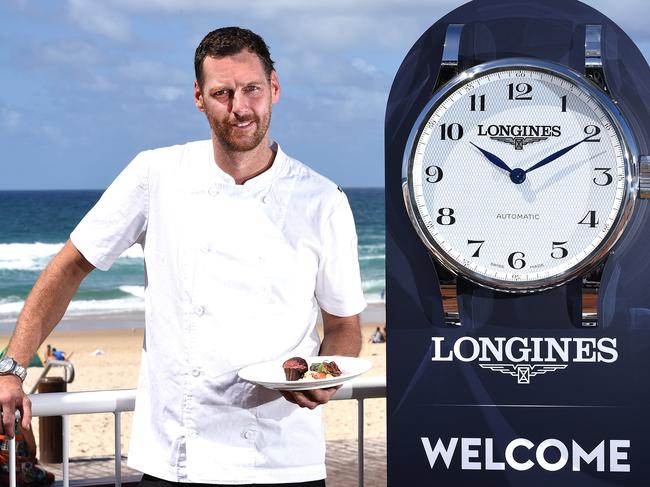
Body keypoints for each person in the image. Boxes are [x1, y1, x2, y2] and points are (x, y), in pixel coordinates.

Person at [0, 27, 366, 487]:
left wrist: (323, 376)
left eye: (251, 88)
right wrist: (12, 368)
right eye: (222, 93)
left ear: (274, 87)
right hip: (176, 458)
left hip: (283, 455)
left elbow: (344, 327)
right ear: (199, 97)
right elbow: (72, 264)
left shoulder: (322, 199)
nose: (239, 107)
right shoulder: (156, 174)